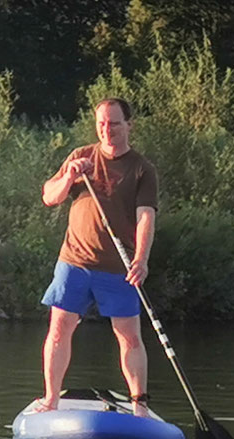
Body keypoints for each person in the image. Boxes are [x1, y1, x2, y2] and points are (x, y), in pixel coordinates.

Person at [32, 96, 158, 415]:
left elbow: (146, 216)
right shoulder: (81, 156)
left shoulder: (142, 169)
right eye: (101, 124)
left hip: (119, 267)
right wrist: (69, 176)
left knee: (129, 336)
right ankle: (51, 399)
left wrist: (141, 259)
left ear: (129, 125)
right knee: (59, 328)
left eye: (114, 123)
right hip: (74, 261)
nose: (107, 130)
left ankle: (139, 405)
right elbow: (50, 197)